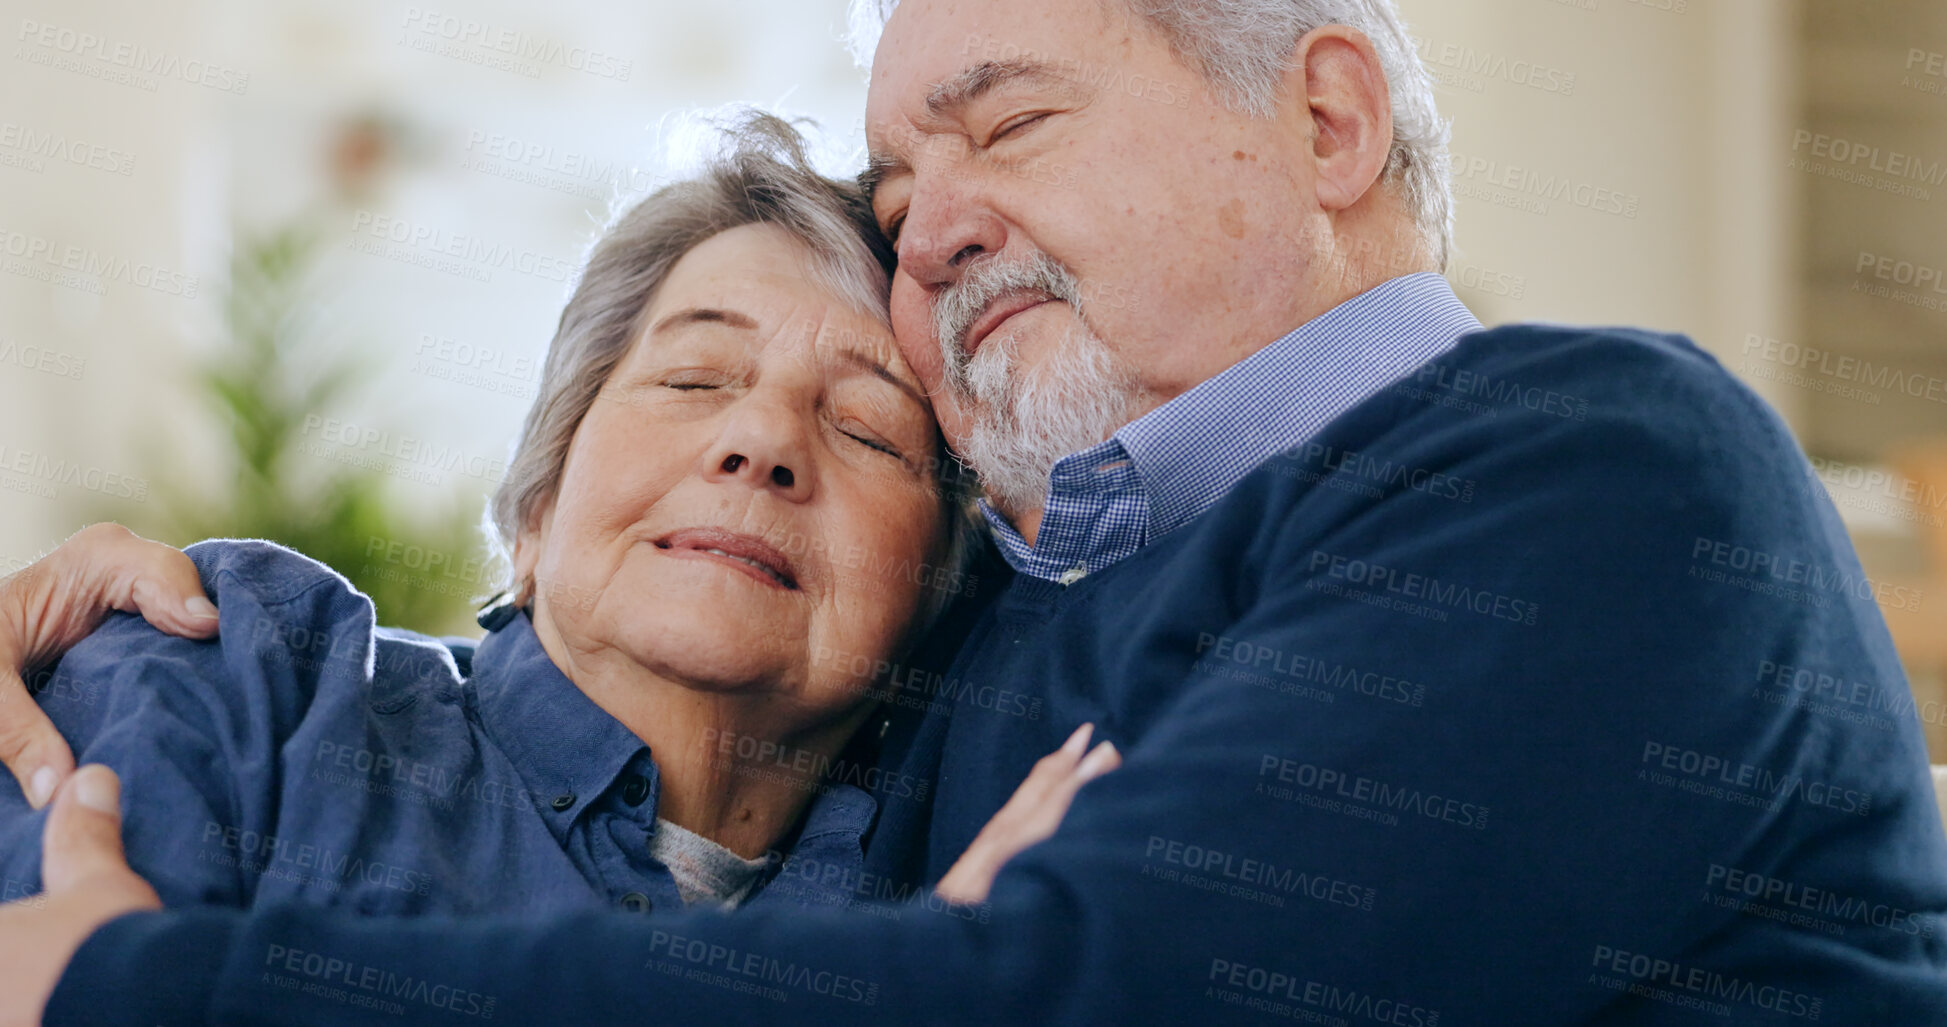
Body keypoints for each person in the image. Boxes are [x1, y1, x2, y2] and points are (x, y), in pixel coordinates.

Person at [3, 0, 1947, 1023]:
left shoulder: (1597, 470)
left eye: (1005, 121)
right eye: (899, 175)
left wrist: (134, 992)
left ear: (1326, 124)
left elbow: (1098, 997)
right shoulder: (1008, 592)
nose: (926, 220)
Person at [0, 111, 1118, 974]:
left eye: (866, 425)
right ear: (537, 505)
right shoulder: (245, 666)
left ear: (939, 591)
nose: (762, 439)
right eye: (692, 377)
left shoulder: (999, 845)